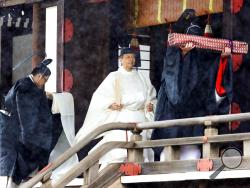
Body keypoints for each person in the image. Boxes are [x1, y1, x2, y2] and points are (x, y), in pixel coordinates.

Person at [151, 9, 233, 161]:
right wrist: (182, 54)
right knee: (168, 158)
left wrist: (223, 58)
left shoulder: (202, 55)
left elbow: (210, 73)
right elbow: (170, 76)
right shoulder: (174, 50)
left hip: (195, 113)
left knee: (193, 156)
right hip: (174, 116)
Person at [74, 47, 156, 169]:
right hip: (122, 117)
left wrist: (150, 106)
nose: (131, 60)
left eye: (133, 57)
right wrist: (110, 104)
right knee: (118, 151)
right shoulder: (114, 76)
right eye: (128, 57)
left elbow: (151, 97)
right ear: (121, 59)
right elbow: (99, 97)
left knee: (141, 151)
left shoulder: (142, 77)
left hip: (140, 117)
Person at [0, 59, 54, 187]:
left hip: (11, 126)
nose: (44, 83)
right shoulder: (26, 87)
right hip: (11, 129)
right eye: (45, 80)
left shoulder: (26, 83)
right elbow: (26, 114)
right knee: (12, 163)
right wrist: (28, 135)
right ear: (39, 76)